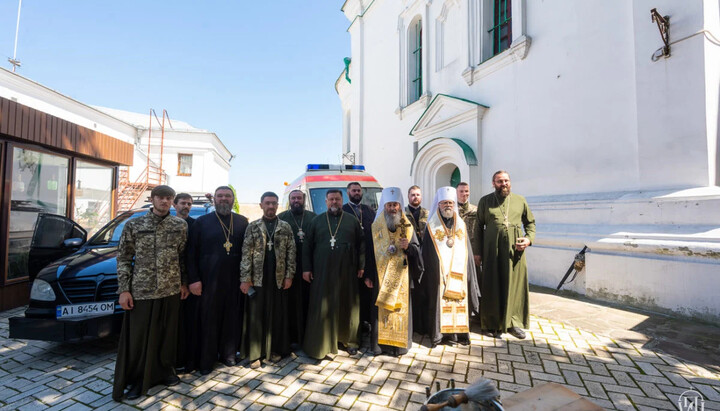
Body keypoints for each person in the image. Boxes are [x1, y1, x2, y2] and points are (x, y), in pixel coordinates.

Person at [112, 185, 189, 401]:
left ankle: (164, 372)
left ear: (172, 201)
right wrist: (124, 290)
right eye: (160, 198)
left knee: (167, 335)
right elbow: (124, 258)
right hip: (142, 290)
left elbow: (182, 257)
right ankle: (137, 380)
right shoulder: (135, 224)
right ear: (153, 199)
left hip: (171, 289)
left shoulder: (180, 226)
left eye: (168, 198)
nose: (164, 202)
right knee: (139, 339)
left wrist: (184, 283)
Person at [187, 186, 249, 374]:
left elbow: (249, 252)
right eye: (220, 196)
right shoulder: (201, 222)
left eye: (227, 196)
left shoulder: (241, 222)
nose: (223, 199)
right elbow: (190, 253)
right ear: (214, 199)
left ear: (232, 199)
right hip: (208, 281)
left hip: (234, 280)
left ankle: (228, 354)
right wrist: (194, 279)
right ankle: (207, 359)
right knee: (209, 320)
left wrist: (247, 278)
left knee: (231, 317)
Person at [303, 189, 365, 359]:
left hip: (347, 271)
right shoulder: (317, 221)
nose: (334, 202)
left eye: (337, 199)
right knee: (323, 306)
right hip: (322, 271)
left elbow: (361, 245)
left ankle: (350, 341)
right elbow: (307, 247)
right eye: (331, 199)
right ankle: (322, 342)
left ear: (342, 200)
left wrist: (361, 266)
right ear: (326, 201)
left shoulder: (352, 221)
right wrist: (306, 269)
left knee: (348, 304)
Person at [473, 171, 536, 339]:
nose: (504, 184)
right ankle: (490, 323)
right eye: (500, 181)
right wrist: (477, 252)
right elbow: (478, 227)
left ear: (510, 182)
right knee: (492, 285)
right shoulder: (485, 201)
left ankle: (513, 323)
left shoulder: (520, 200)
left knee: (514, 286)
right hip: (491, 251)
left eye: (506, 180)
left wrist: (528, 240)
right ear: (493, 183)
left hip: (514, 252)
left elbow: (530, 223)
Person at [239, 192, 296, 368]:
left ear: (278, 206)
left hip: (278, 278)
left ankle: (276, 350)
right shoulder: (253, 227)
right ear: (261, 205)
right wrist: (245, 279)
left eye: (274, 203)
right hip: (258, 279)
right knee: (257, 316)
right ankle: (257, 353)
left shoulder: (285, 227)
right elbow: (246, 254)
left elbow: (291, 253)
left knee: (277, 314)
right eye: (268, 203)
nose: (271, 206)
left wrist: (289, 275)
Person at [421, 186, 480, 348]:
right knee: (439, 301)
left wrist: (469, 273)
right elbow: (426, 252)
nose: (447, 205)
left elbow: (467, 249)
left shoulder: (460, 224)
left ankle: (457, 334)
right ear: (438, 204)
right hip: (438, 273)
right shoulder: (431, 225)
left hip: (458, 272)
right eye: (444, 202)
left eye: (450, 202)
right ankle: (440, 334)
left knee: (459, 300)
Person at [370, 187, 423, 356]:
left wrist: (408, 247)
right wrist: (369, 276)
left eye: (395, 205)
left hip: (402, 277)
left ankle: (399, 346)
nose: (392, 208)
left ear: (400, 206)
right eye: (389, 205)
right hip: (380, 277)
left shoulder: (407, 226)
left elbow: (417, 250)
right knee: (381, 310)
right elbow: (369, 254)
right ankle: (380, 346)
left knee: (400, 309)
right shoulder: (375, 227)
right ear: (384, 206)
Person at [277, 189, 316, 348]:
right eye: (293, 198)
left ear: (304, 200)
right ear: (289, 200)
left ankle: (308, 336)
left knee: (308, 302)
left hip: (309, 267)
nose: (296, 201)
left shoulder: (314, 218)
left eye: (299, 198)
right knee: (291, 304)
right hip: (288, 269)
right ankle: (292, 337)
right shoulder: (282, 218)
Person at [342, 182, 377, 343]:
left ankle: (366, 322)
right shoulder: (343, 211)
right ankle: (353, 326)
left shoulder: (369, 210)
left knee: (366, 293)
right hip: (350, 260)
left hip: (369, 257)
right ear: (348, 192)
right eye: (353, 190)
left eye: (359, 190)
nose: (356, 193)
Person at [173, 193, 198, 372]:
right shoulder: (169, 224)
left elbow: (195, 256)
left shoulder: (196, 225)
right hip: (170, 282)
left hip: (190, 282)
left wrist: (191, 281)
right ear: (175, 204)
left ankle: (188, 357)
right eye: (183, 203)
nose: (186, 206)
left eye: (189, 204)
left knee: (189, 323)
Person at [405, 185, 429, 335]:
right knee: (411, 290)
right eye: (413, 195)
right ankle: (411, 324)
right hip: (409, 255)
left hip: (424, 255)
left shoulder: (427, 213)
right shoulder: (402, 214)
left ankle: (423, 325)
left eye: (418, 195)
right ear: (408, 196)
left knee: (423, 290)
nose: (415, 197)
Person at [457, 182, 478, 255]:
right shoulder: (452, 210)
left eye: (466, 191)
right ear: (456, 192)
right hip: (456, 247)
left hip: (472, 247)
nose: (464, 194)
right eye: (461, 191)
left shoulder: (476, 210)